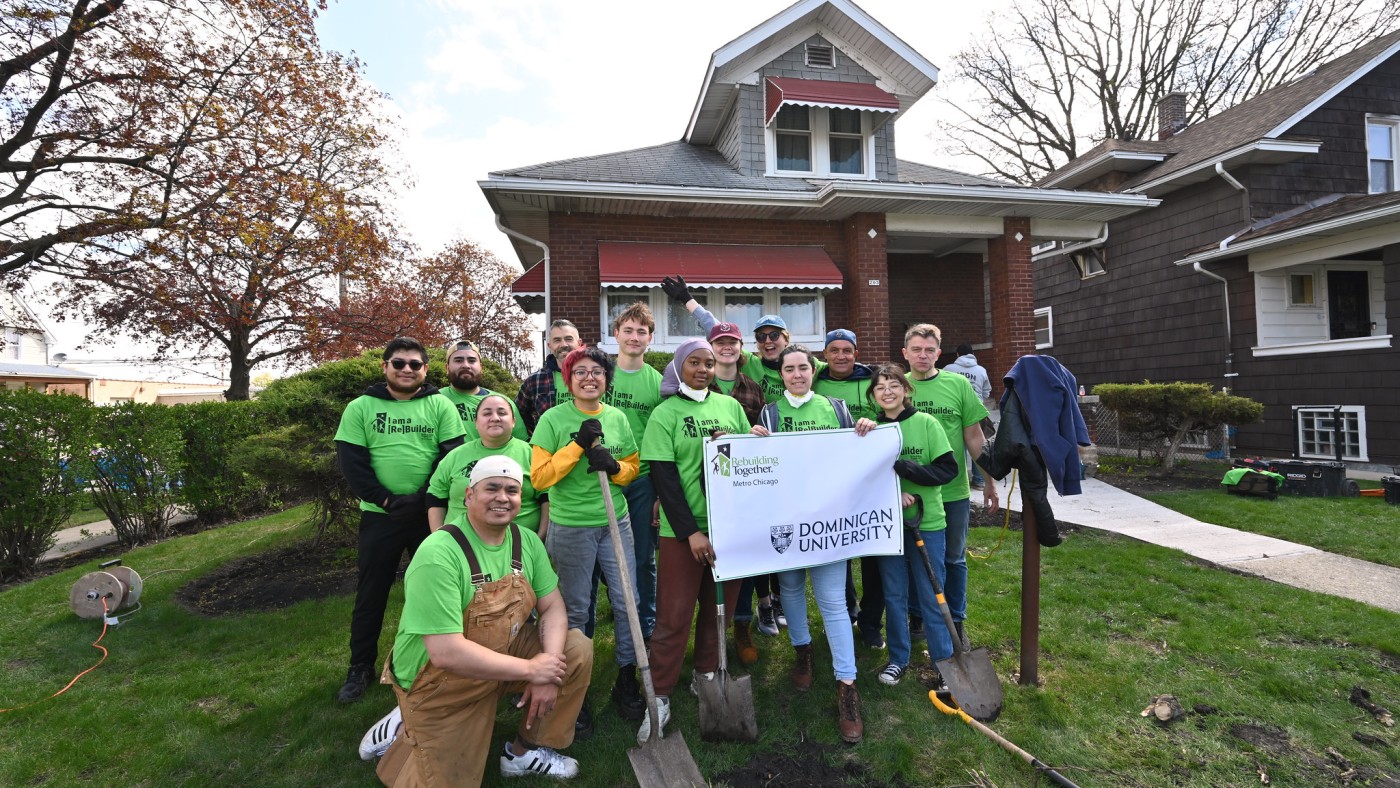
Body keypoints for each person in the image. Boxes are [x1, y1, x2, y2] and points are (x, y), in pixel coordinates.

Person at [359, 456, 592, 784]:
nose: (502, 497)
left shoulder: (525, 541)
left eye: (512, 490)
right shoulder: (438, 556)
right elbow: (446, 652)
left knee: (575, 648)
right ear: (469, 496)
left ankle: (524, 753)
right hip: (441, 683)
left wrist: (549, 667)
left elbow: (553, 607)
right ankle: (407, 726)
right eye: (492, 488)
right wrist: (532, 670)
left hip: (501, 654)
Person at [333, 337, 467, 704]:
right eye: (398, 363)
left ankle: (441, 662)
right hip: (380, 517)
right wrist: (386, 499)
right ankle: (359, 668)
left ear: (425, 370)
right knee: (370, 595)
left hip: (430, 517)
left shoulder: (440, 405)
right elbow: (352, 464)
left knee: (440, 592)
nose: (406, 369)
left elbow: (451, 458)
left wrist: (423, 499)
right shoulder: (360, 408)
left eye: (414, 364)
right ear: (385, 367)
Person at [635, 338, 751, 743]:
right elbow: (665, 481)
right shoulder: (664, 414)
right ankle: (660, 694)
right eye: (694, 363)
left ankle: (705, 674)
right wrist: (692, 533)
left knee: (719, 609)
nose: (702, 369)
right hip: (682, 531)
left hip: (730, 528)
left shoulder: (730, 407)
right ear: (679, 368)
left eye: (708, 362)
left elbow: (744, 466)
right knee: (674, 615)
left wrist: (746, 440)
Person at [750, 344, 864, 744]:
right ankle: (803, 653)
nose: (797, 374)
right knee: (793, 590)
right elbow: (761, 466)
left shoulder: (836, 408)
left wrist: (865, 430)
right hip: (787, 519)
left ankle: (847, 686)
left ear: (812, 371)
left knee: (833, 601)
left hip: (829, 520)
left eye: (803, 368)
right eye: (790, 369)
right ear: (780, 375)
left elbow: (856, 456)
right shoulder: (770, 413)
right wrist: (753, 441)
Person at [530, 345, 645, 731]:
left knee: (629, 599)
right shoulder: (552, 419)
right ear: (569, 379)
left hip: (616, 523)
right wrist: (577, 446)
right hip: (571, 527)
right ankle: (574, 692)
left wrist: (614, 467)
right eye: (580, 372)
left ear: (606, 379)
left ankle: (627, 678)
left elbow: (632, 466)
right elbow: (540, 478)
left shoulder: (617, 418)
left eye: (597, 371)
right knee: (575, 610)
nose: (589, 377)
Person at [856, 364, 959, 689]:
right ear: (873, 395)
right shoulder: (871, 432)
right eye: (880, 387)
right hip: (887, 528)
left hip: (926, 524)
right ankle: (898, 658)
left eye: (893, 385)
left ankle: (944, 663)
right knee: (895, 594)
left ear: (906, 389)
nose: (887, 391)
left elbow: (947, 470)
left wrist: (908, 472)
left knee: (931, 595)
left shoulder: (926, 423)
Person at [902, 325, 999, 649]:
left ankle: (956, 619)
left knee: (954, 558)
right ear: (905, 353)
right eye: (916, 349)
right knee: (917, 558)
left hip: (954, 491)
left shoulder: (957, 385)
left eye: (929, 350)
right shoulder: (897, 387)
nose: (922, 355)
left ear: (938, 354)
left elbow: (974, 437)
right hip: (913, 493)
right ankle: (918, 615)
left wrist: (988, 481)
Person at [701, 321, 771, 664]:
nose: (726, 347)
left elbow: (761, 433)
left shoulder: (752, 388)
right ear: (711, 348)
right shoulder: (700, 384)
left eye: (732, 342)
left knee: (744, 556)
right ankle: (710, 632)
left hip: (744, 484)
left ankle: (742, 626)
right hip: (706, 483)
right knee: (714, 558)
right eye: (719, 342)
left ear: (741, 348)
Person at [812, 328, 884, 650]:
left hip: (871, 478)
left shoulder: (873, 379)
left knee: (872, 553)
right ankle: (844, 613)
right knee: (836, 546)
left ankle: (870, 623)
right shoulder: (814, 379)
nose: (841, 355)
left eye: (847, 350)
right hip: (830, 479)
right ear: (824, 354)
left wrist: (876, 424)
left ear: (856, 353)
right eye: (834, 350)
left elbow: (892, 408)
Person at [602, 302, 663, 642]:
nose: (634, 336)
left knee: (642, 556)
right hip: (603, 476)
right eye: (628, 330)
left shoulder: (658, 382)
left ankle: (646, 623)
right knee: (601, 553)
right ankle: (618, 603)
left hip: (640, 479)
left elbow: (659, 437)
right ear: (616, 335)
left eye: (641, 331)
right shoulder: (601, 375)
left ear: (650, 338)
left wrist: (656, 491)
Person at [427, 394, 543, 534]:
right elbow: (435, 497)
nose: (494, 418)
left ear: (513, 421)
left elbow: (548, 498)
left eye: (502, 413)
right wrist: (438, 535)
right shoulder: (455, 456)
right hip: (458, 544)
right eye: (487, 413)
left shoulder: (532, 454)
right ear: (476, 422)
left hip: (520, 545)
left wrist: (540, 537)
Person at [439, 339, 528, 441]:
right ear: (447, 367)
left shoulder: (503, 402)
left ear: (481, 367)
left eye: (472, 360)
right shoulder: (436, 400)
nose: (466, 365)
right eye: (458, 360)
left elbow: (521, 443)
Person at [516, 319, 581, 433]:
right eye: (557, 340)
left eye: (569, 339)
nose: (563, 344)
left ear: (579, 343)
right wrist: (534, 438)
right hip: (551, 449)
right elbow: (518, 415)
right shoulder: (534, 381)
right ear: (549, 345)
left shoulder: (596, 377)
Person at [947, 343, 993, 490]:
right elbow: (987, 391)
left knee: (956, 444)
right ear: (973, 354)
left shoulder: (949, 369)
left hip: (954, 411)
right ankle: (979, 480)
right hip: (976, 411)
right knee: (977, 443)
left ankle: (957, 479)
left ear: (957, 355)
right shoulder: (981, 370)